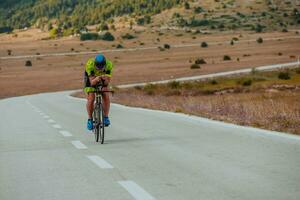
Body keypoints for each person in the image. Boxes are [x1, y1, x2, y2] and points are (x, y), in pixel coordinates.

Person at [84, 54, 113, 130]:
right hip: (91, 79)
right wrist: (96, 79)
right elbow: (92, 83)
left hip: (102, 77)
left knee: (106, 94)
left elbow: (107, 83)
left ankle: (106, 117)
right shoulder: (90, 64)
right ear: (95, 64)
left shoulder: (109, 65)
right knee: (91, 98)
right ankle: (90, 119)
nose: (99, 69)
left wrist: (104, 79)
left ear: (104, 64)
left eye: (101, 67)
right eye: (98, 67)